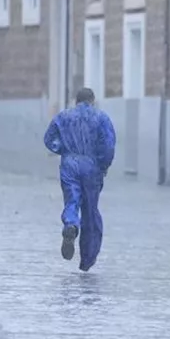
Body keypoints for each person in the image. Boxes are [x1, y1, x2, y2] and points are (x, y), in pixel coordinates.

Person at [43, 88, 116, 272]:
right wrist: (103, 165)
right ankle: (87, 259)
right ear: (93, 100)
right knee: (90, 210)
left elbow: (48, 138)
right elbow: (108, 145)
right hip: (92, 166)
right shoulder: (101, 118)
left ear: (76, 100)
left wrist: (63, 150)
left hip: (70, 164)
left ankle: (71, 224)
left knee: (72, 200)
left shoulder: (63, 117)